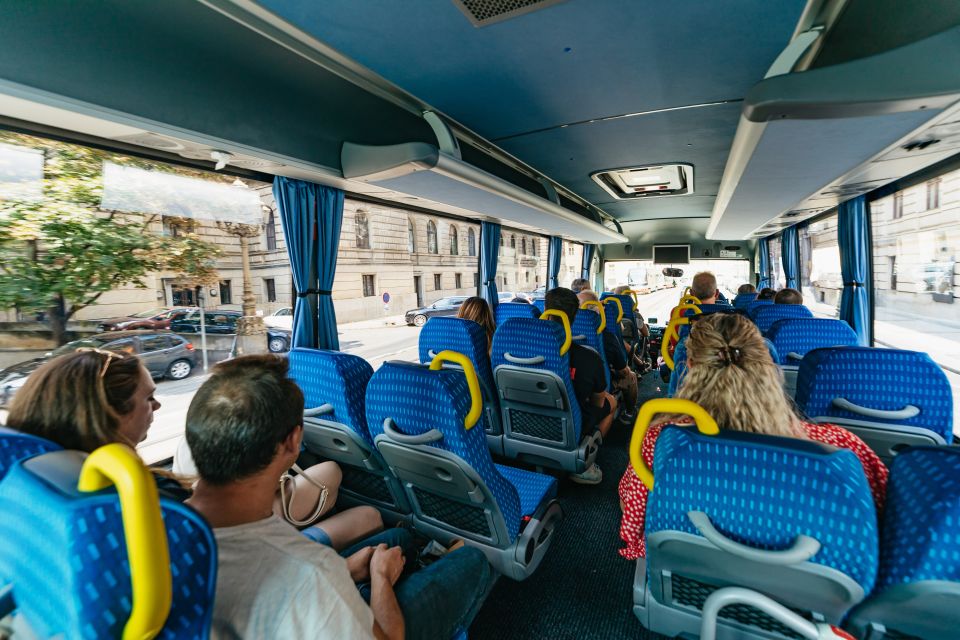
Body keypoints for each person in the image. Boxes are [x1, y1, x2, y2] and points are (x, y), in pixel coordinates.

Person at [185, 355, 490, 640]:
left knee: (397, 538)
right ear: (294, 442)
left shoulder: (165, 523)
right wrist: (380, 578)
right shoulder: (309, 570)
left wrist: (345, 570)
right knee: (473, 559)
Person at [617, 313, 887, 560]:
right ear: (767, 365)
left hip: (686, 584)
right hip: (815, 605)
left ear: (689, 366)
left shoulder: (662, 442)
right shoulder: (841, 451)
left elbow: (632, 524)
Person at [5, 348, 191, 500]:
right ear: (109, 413)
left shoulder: (20, 482)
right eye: (149, 397)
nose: (157, 405)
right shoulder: (150, 495)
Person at [545, 288, 617, 484]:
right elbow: (598, 401)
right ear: (575, 317)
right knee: (610, 402)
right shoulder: (589, 358)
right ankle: (585, 458)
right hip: (569, 426)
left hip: (523, 423)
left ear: (545, 310)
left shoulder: (518, 348)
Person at [578, 290, 638, 416]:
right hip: (601, 384)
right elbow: (622, 370)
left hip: (575, 380)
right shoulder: (607, 338)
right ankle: (629, 412)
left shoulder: (563, 333)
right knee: (630, 376)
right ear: (598, 310)